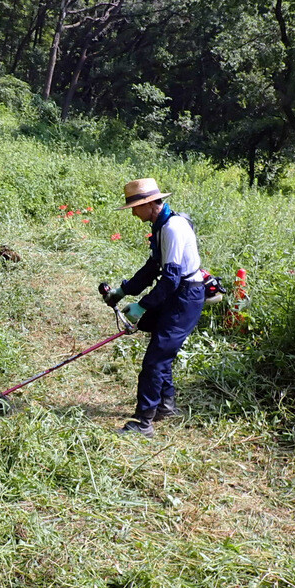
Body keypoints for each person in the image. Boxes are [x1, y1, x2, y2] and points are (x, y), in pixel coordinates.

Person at [102, 178, 206, 438]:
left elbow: (170, 279)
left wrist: (142, 306)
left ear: (149, 204)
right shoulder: (161, 225)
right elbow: (152, 268)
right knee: (161, 350)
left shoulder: (172, 229)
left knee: (155, 360)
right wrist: (123, 291)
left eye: (135, 208)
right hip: (178, 292)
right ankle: (165, 407)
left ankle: (143, 423)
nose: (133, 214)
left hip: (186, 296)